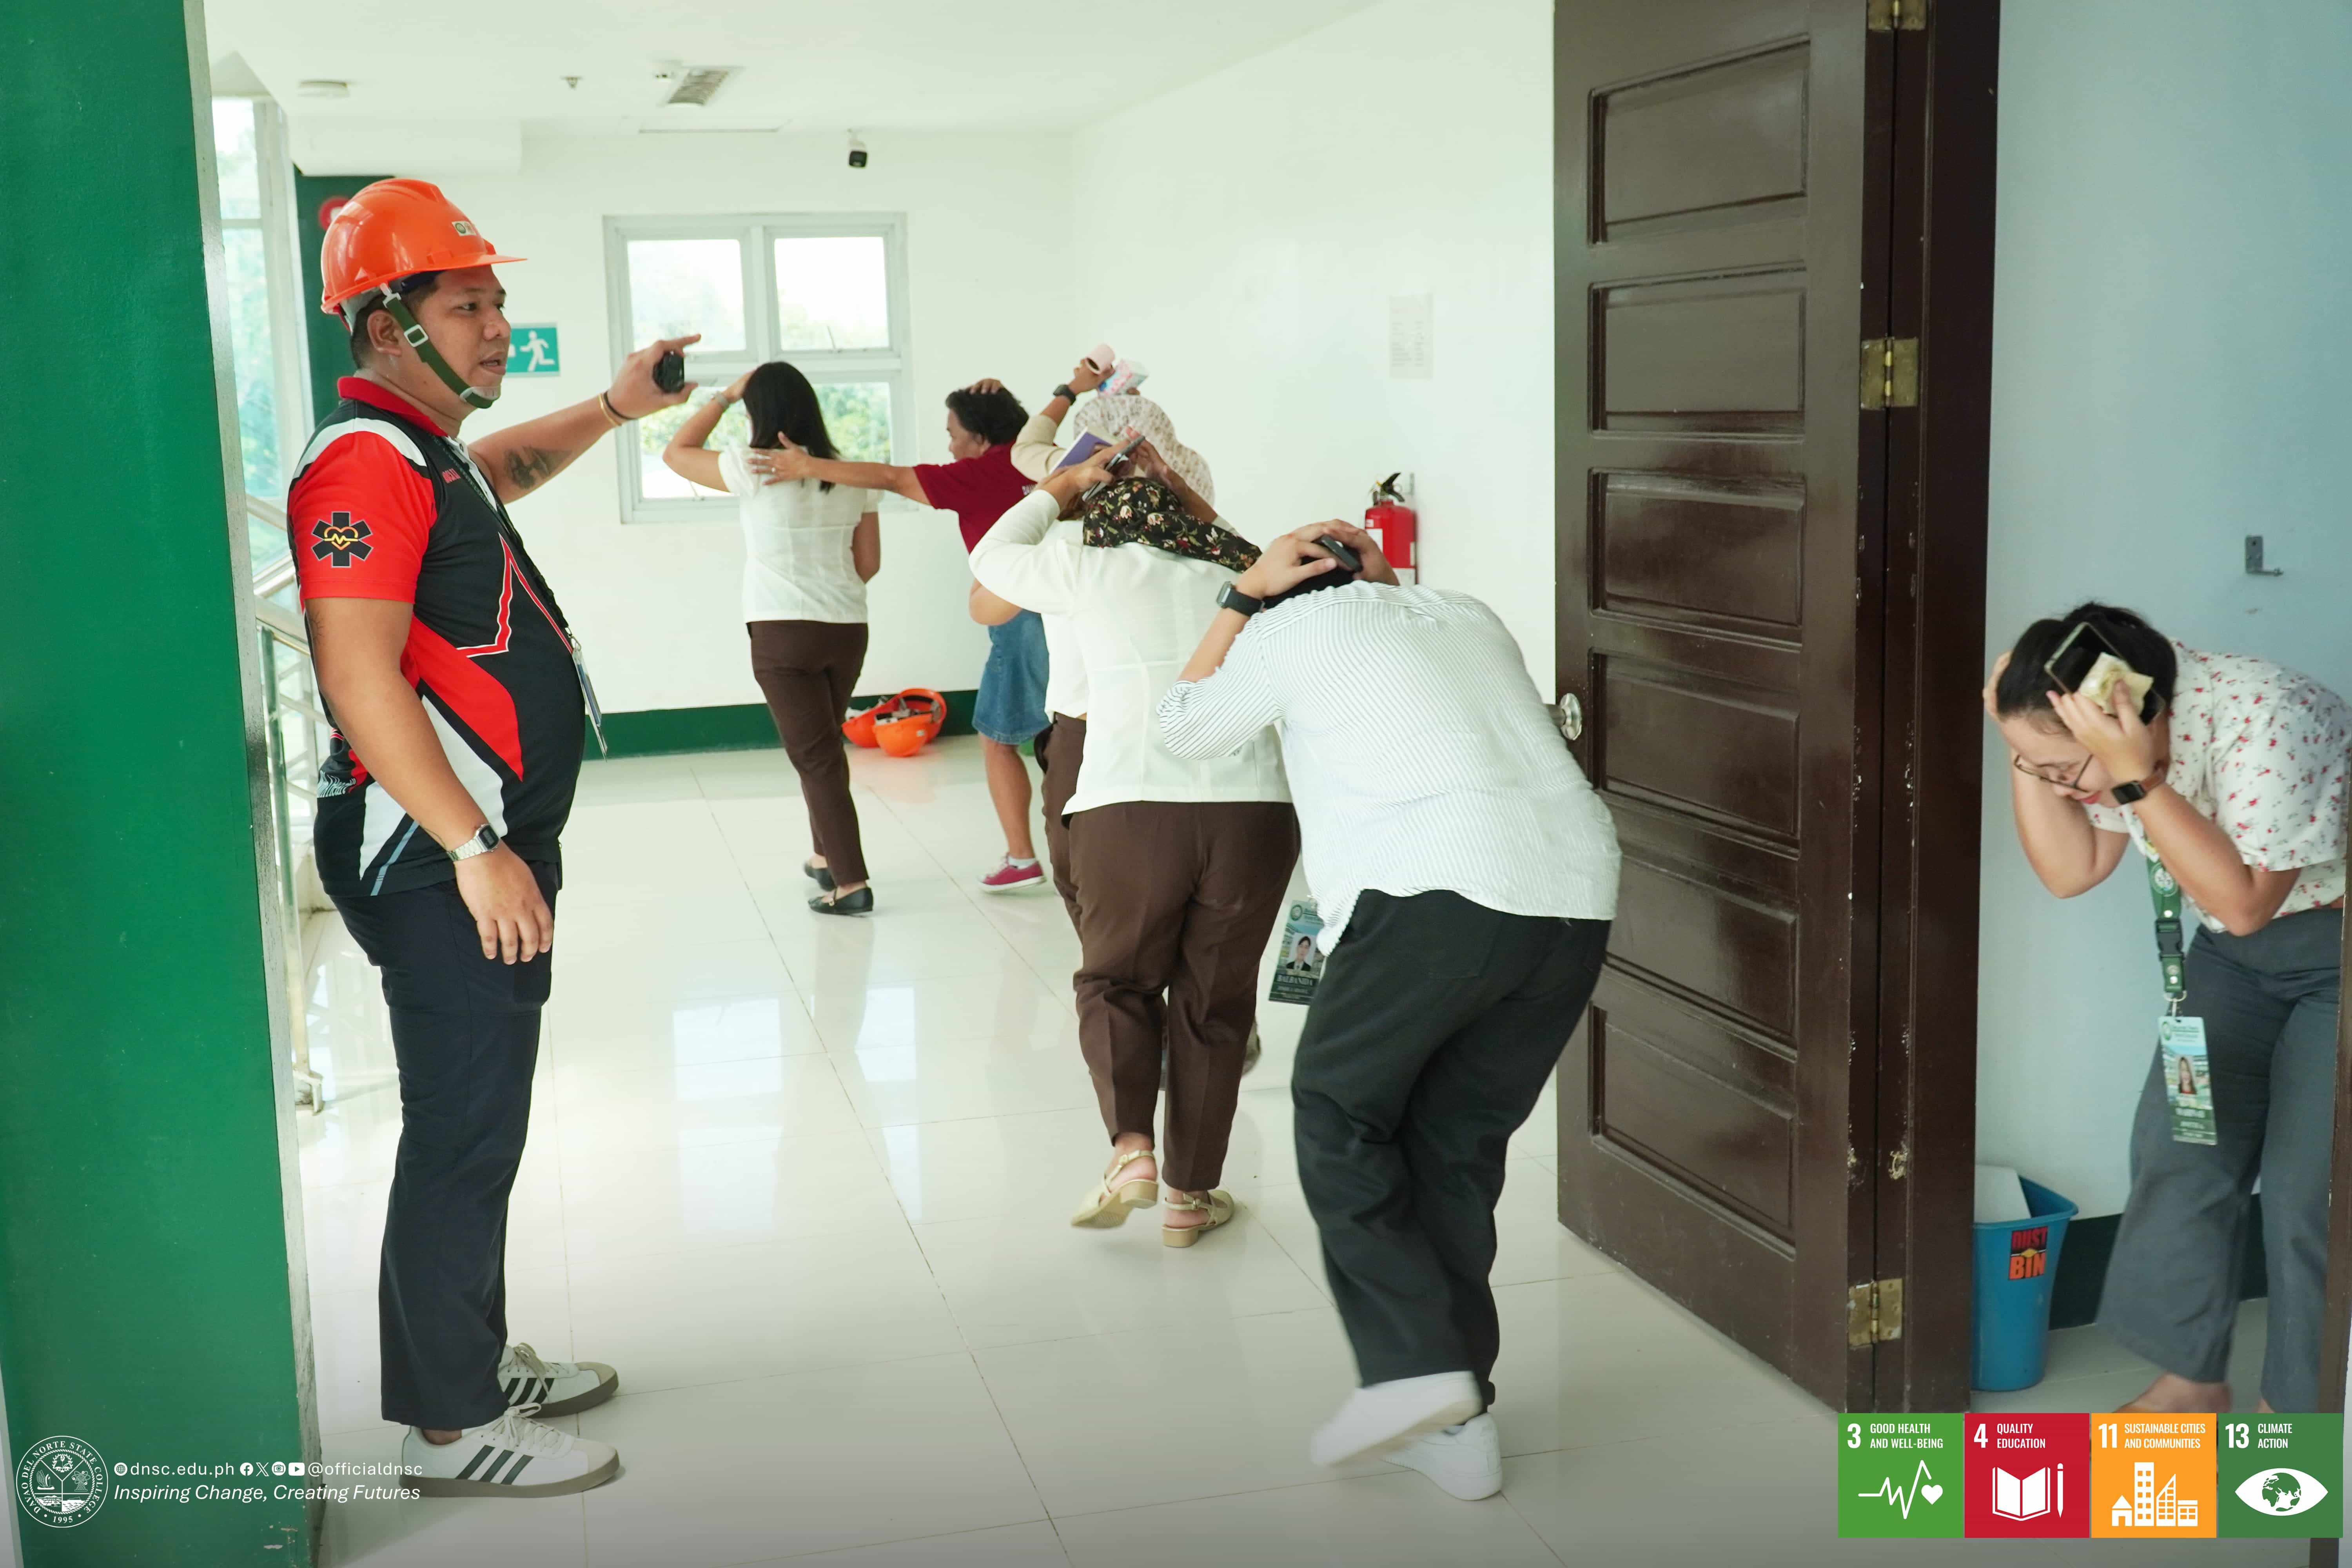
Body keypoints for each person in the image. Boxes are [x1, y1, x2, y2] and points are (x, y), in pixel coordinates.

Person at [292, 178, 694, 1497]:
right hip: (432, 857)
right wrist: (475, 847)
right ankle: (452, 1427)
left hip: (471, 848)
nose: (497, 326)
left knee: (486, 1122)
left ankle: (471, 1356)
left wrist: (617, 409)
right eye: (467, 306)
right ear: (386, 323)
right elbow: (359, 676)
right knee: (462, 1130)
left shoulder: (427, 450)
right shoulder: (365, 462)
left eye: (498, 303)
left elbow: (507, 465)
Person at [1158, 521, 1620, 1501]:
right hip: (1575, 893)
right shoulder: (1467, 614)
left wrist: (1240, 598)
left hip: (1437, 890)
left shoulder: (1288, 630)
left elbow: (1183, 726)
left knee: (1338, 1113)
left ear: (1282, 588)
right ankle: (1460, 1421)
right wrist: (1380, 576)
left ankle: (1420, 1382)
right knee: (1453, 1145)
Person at [1985, 603, 2351, 1416]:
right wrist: (2030, 752)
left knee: (2310, 1191)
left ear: (2134, 716)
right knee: (2179, 1151)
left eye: (2064, 770)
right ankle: (2191, 1380)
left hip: (2335, 951)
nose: (2065, 788)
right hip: (2230, 954)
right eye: (2042, 771)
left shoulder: (2269, 719)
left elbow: (2249, 902)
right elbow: (2072, 869)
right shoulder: (2115, 723)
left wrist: (2136, 778)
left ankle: (2302, 1410)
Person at [970, 446, 1294, 1246]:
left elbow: (992, 556)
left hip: (1131, 807)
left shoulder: (1084, 563)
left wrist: (1061, 485)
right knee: (1215, 1006)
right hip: (1253, 812)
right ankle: (1190, 1198)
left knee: (1116, 980)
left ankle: (1133, 1152)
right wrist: (1184, 495)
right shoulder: (1239, 570)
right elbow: (1263, 558)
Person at [750, 382, 1050, 891]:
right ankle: (1081, 854)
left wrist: (807, 466)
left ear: (980, 438)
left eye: (954, 434)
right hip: (1070, 613)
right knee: (1061, 734)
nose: (950, 445)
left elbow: (890, 477)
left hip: (1019, 620)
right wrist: (1064, 390)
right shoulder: (1042, 459)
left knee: (999, 739)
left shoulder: (977, 474)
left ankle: (1023, 859)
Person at [662, 361, 881, 914]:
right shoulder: (847, 472)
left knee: (817, 759)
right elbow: (868, 564)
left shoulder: (752, 466)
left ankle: (851, 884)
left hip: (783, 630)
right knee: (824, 748)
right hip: (847, 627)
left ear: (758, 409)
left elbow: (677, 451)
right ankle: (825, 856)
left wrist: (726, 395)